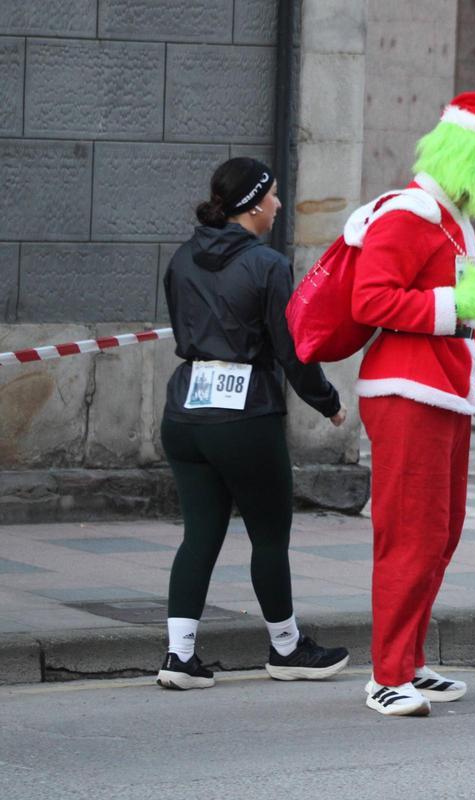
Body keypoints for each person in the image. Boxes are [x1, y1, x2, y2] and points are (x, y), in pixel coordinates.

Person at [349, 92, 475, 717]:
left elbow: (473, 329)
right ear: (470, 154)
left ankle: (410, 661)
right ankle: (386, 674)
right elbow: (370, 301)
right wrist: (450, 310)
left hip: (445, 396)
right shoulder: (410, 214)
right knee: (409, 537)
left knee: (439, 536)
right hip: (406, 395)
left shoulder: (454, 222)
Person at [157, 157, 350, 690]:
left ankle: (179, 657)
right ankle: (287, 648)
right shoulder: (267, 265)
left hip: (184, 413)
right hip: (246, 416)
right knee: (269, 535)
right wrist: (327, 401)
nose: (280, 205)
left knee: (199, 535)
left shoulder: (181, 258)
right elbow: (292, 350)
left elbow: (182, 328)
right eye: (273, 196)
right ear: (253, 204)